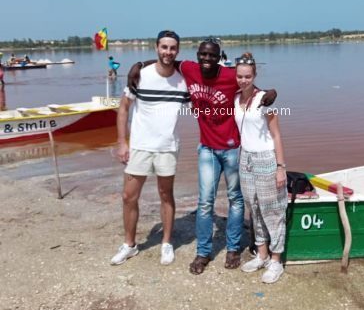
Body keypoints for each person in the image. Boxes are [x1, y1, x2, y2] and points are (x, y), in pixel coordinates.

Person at [128, 38, 277, 275]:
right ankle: (203, 251)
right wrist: (138, 63)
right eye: (203, 55)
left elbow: (248, 84)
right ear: (197, 55)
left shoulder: (229, 75)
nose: (207, 59)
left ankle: (233, 248)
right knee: (205, 202)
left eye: (212, 55)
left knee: (235, 199)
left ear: (219, 57)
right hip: (206, 148)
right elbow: (168, 61)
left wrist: (271, 91)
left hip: (231, 148)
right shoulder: (189, 69)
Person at [111, 30, 190, 266]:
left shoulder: (182, 80)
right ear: (157, 47)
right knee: (128, 197)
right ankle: (130, 245)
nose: (168, 52)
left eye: (172, 48)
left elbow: (206, 98)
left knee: (166, 195)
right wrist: (122, 142)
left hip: (167, 147)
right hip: (140, 146)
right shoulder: (140, 75)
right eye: (164, 47)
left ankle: (166, 243)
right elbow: (123, 109)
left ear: (177, 50)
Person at [234, 53, 288, 283]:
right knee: (253, 207)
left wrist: (280, 167)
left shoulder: (265, 100)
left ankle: (276, 261)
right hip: (245, 158)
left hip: (266, 158)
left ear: (254, 75)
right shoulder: (235, 99)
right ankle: (262, 253)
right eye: (239, 76)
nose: (243, 80)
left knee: (272, 210)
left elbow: (276, 135)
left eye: (247, 76)